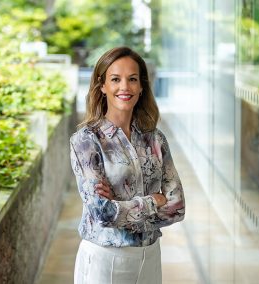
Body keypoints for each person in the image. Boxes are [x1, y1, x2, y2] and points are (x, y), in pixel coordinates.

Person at [70, 46, 185, 284]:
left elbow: (177, 207)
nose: (125, 87)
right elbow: (102, 212)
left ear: (141, 86)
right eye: (115, 79)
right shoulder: (86, 141)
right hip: (106, 259)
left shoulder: (155, 139)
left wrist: (121, 205)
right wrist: (155, 200)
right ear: (102, 86)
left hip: (150, 257)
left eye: (132, 79)